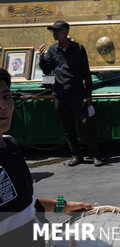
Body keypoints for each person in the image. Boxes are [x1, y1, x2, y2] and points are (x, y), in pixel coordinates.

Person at [0, 68, 93, 247]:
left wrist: (63, 206)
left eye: (6, 96)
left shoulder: (11, 145)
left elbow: (26, 203)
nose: (3, 106)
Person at [39, 21, 103, 167]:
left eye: (58, 30)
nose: (55, 33)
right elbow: (47, 70)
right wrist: (42, 59)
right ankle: (76, 154)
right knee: (67, 128)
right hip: (60, 94)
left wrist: (88, 94)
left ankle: (95, 155)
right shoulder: (53, 49)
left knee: (86, 125)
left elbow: (86, 72)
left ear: (66, 31)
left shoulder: (78, 48)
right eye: (53, 31)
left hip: (77, 93)